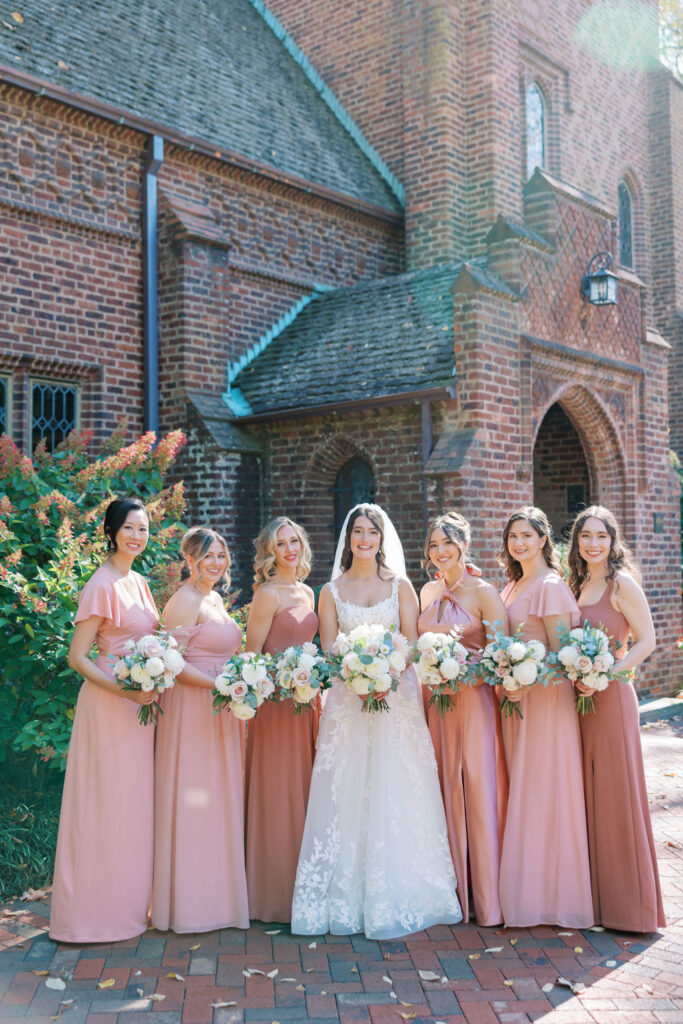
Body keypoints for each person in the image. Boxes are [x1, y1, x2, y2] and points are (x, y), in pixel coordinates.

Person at [291, 504, 462, 939]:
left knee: (396, 786)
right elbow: (330, 649)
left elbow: (410, 643)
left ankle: (403, 893)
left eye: (373, 532)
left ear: (382, 539)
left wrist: (384, 673)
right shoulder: (329, 591)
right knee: (345, 790)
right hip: (348, 703)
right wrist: (357, 674)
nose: (365, 539)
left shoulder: (400, 586)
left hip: (397, 701)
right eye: (358, 532)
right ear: (348, 538)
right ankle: (342, 899)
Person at [50, 496, 158, 943]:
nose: (137, 536)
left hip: (140, 706)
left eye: (144, 528)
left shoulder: (140, 581)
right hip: (110, 703)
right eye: (130, 527)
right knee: (103, 805)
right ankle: (90, 917)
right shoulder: (101, 584)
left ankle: (128, 908)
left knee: (132, 808)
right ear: (113, 531)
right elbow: (78, 657)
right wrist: (124, 690)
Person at [568, 505, 665, 932]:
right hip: (577, 700)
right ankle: (594, 902)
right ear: (576, 542)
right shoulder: (575, 583)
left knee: (615, 792)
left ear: (613, 540)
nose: (593, 544)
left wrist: (605, 674)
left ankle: (629, 908)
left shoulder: (620, 583)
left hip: (612, 697)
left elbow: (647, 641)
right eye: (585, 536)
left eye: (601, 537)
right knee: (585, 794)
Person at [498, 506, 593, 928]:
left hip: (545, 704)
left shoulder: (551, 586)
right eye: (512, 537)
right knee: (523, 791)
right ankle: (524, 889)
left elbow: (562, 655)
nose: (518, 543)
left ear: (542, 540)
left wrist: (524, 677)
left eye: (526, 535)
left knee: (544, 793)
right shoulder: (513, 585)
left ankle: (549, 898)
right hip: (514, 701)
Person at [152, 526, 248, 932]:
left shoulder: (214, 598)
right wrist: (219, 684)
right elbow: (172, 663)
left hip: (221, 707)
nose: (216, 562)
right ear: (189, 559)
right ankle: (190, 905)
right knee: (192, 799)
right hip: (192, 708)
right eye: (207, 555)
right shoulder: (185, 599)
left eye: (221, 555)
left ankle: (218, 899)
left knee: (217, 799)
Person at [418, 511, 508, 926]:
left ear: (464, 545)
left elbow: (502, 653)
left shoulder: (484, 592)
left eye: (447, 544)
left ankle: (485, 896)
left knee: (476, 786)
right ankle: (449, 891)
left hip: (474, 703)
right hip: (435, 703)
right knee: (440, 787)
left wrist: (466, 669)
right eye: (433, 545)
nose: (440, 552)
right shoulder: (426, 592)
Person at [244, 517, 320, 923]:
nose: (289, 549)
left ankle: (303, 888)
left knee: (305, 791)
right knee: (277, 791)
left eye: (294, 541)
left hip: (307, 707)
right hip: (274, 707)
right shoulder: (267, 594)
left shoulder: (308, 592)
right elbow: (251, 658)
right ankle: (270, 895)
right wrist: (281, 679)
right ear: (269, 552)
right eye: (280, 544)